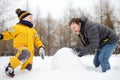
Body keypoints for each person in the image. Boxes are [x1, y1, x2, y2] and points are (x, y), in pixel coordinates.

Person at [0, 8, 45, 77]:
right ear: (23, 18)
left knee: (27, 72)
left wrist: (41, 47)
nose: (31, 19)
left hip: (31, 53)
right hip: (21, 48)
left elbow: (37, 39)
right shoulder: (16, 27)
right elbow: (8, 34)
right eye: (30, 17)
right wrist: (2, 36)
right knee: (25, 52)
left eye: (32, 18)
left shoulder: (33, 30)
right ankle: (9, 67)